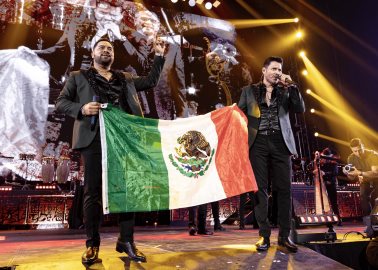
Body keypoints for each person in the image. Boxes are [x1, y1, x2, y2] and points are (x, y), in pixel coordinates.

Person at [55, 37, 166, 265]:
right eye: (101, 47)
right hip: (94, 137)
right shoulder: (79, 77)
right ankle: (92, 245)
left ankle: (126, 241)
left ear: (113, 55)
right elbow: (61, 102)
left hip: (123, 138)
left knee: (127, 190)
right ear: (93, 53)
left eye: (110, 48)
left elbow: (152, 80)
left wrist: (159, 55)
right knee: (92, 192)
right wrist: (82, 108)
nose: (106, 50)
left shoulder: (124, 78)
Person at [238, 56, 305, 253]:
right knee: (260, 190)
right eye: (274, 69)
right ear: (264, 70)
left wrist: (293, 86)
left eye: (280, 69)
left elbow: (300, 108)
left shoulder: (286, 90)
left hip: (281, 142)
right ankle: (264, 236)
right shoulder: (248, 91)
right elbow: (238, 115)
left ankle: (284, 237)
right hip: (257, 143)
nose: (277, 72)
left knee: (284, 190)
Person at [346, 138, 378, 220]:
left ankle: (375, 220)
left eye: (359, 150)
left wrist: (360, 173)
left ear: (363, 146)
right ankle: (370, 222)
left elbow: (376, 173)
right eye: (355, 151)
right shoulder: (351, 158)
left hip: (377, 181)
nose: (358, 153)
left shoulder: (373, 155)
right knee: (363, 197)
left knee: (375, 198)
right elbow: (352, 177)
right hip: (365, 181)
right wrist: (348, 173)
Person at [320, 147, 342, 225]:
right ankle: (326, 219)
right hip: (323, 185)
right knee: (324, 203)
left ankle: (338, 219)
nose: (325, 159)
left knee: (333, 202)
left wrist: (325, 173)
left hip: (331, 184)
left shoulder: (334, 163)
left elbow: (335, 173)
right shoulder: (321, 164)